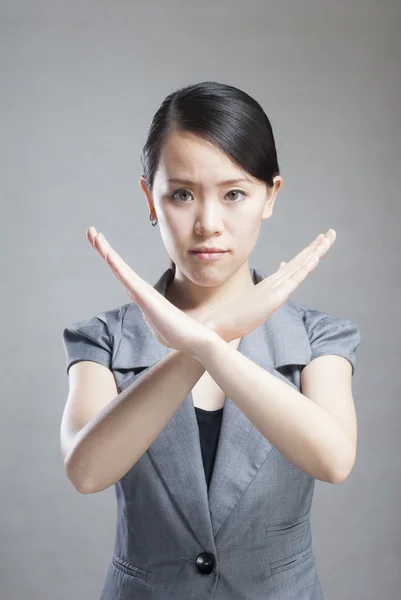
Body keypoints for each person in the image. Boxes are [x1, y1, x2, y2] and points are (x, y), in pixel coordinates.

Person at [61, 81, 361, 600]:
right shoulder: (104, 339)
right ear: (148, 198)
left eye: (235, 194)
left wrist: (208, 341)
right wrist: (211, 338)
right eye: (181, 194)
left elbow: (333, 459)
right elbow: (86, 471)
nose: (208, 224)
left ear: (271, 196)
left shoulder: (318, 336)